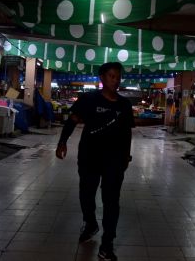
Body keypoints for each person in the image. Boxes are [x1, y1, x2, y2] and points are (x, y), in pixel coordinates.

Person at [55, 62, 134, 261]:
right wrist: (62, 142)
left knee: (111, 201)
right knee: (86, 195)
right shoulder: (88, 99)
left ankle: (107, 244)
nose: (115, 80)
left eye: (118, 77)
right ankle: (90, 223)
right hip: (89, 156)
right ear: (102, 78)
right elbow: (72, 120)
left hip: (114, 160)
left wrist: (126, 155)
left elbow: (127, 132)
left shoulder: (125, 105)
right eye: (111, 76)